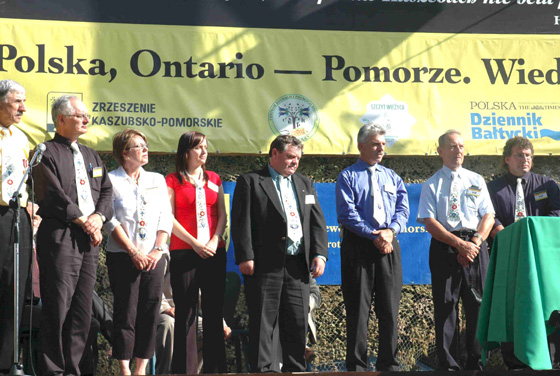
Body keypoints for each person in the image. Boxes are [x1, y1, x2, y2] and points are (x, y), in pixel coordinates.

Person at [231, 134, 328, 373]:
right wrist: (246, 256)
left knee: (296, 322)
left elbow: (317, 223)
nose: (295, 162)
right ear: (274, 154)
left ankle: (295, 369)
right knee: (264, 324)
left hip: (298, 267)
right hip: (265, 266)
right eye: (290, 157)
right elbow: (241, 223)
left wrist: (320, 254)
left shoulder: (305, 183)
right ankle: (264, 370)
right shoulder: (251, 181)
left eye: (298, 158)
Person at [33, 95, 113, 376]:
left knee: (82, 310)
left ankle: (73, 369)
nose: (86, 120)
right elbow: (51, 194)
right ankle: (52, 370)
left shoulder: (91, 155)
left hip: (89, 240)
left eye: (87, 115)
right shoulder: (45, 151)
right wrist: (83, 219)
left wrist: (98, 218)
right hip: (61, 236)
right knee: (58, 307)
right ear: (62, 119)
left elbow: (106, 191)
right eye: (80, 115)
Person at [417, 129, 494, 370]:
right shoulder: (431, 184)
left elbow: (489, 215)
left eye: (461, 146)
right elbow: (430, 222)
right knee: (446, 307)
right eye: (452, 146)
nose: (458, 150)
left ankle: (476, 362)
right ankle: (448, 365)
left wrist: (475, 243)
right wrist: (458, 244)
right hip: (445, 247)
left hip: (475, 246)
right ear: (440, 151)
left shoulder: (476, 180)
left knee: (478, 306)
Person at [335, 123, 409, 371]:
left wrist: (390, 232)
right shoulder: (347, 176)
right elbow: (347, 213)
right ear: (361, 145)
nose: (381, 149)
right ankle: (357, 366)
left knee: (389, 308)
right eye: (375, 144)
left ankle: (390, 364)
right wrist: (373, 234)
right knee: (358, 309)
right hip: (359, 247)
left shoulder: (393, 177)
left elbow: (403, 210)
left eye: (383, 145)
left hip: (388, 245)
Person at [487, 136, 560, 369]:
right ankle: (514, 360)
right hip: (509, 259)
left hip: (541, 260)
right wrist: (500, 231)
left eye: (528, 155)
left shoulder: (547, 185)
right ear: (507, 159)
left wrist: (533, 234)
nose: (525, 159)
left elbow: (556, 214)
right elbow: (490, 215)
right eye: (519, 155)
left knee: (544, 306)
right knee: (513, 307)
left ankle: (549, 359)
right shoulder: (493, 188)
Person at [104, 129, 172, 375]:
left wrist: (157, 250)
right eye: (139, 146)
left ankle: (142, 368)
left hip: (154, 258)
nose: (145, 150)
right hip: (124, 257)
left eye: (146, 145)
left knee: (149, 311)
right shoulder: (110, 179)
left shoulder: (156, 179)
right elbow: (110, 221)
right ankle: (124, 368)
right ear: (124, 152)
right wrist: (133, 251)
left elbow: (166, 216)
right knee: (126, 311)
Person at [166, 131, 227, 374]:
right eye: (198, 147)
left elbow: (222, 214)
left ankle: (215, 370)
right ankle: (184, 370)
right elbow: (169, 218)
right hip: (184, 252)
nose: (204, 152)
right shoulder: (172, 180)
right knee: (186, 313)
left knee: (213, 312)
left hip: (214, 251)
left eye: (206, 147)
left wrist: (215, 239)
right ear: (185, 152)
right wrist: (194, 243)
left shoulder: (214, 178)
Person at [0, 79, 32, 374]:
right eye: (16, 102)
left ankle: (8, 362)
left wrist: (30, 205)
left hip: (17, 216)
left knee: (14, 287)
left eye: (23, 101)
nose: (23, 107)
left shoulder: (21, 138)